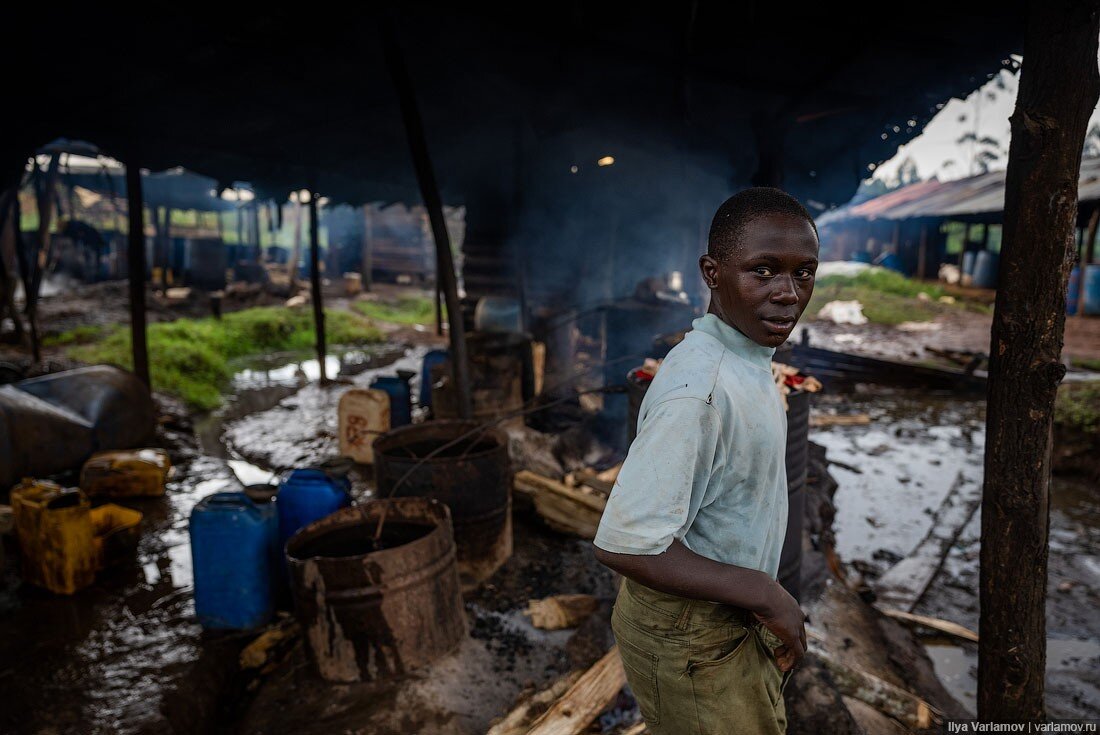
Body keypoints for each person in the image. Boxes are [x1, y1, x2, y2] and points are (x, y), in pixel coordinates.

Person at [593, 187, 819, 735]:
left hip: (722, 622)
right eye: (762, 271)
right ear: (712, 273)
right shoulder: (700, 390)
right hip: (694, 638)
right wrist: (767, 594)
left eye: (804, 273)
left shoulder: (747, 356)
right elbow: (625, 543)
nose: (788, 294)